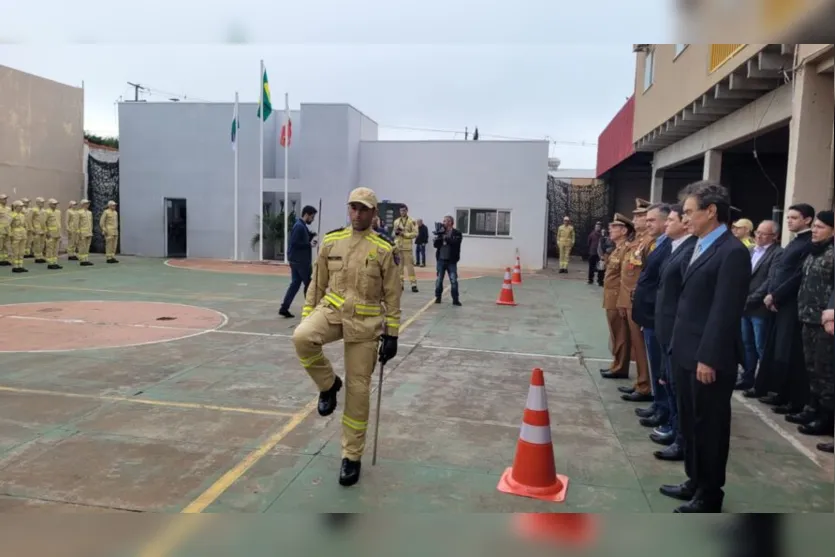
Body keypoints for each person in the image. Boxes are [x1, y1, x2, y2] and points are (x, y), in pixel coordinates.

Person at [292, 187, 401, 487]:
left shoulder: (384, 249)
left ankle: (351, 457)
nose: (357, 213)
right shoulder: (331, 241)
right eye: (353, 207)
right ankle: (328, 384)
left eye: (364, 208)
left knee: (358, 391)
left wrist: (391, 335)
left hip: (365, 325)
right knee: (302, 338)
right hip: (333, 313)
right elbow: (316, 285)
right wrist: (307, 316)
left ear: (374, 212)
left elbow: (393, 296)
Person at [660, 180, 751, 513]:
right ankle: (694, 481)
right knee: (690, 421)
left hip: (707, 359)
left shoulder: (732, 252)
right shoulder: (700, 245)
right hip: (685, 351)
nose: (685, 219)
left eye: (689, 212)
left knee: (709, 427)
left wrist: (709, 357)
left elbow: (725, 311)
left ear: (711, 211)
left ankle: (711, 494)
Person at [755, 204, 815, 413]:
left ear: (807, 220)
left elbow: (796, 275)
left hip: (790, 303)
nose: (789, 221)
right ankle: (779, 392)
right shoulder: (796, 241)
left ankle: (792, 399)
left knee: (788, 351)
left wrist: (776, 295)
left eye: (794, 218)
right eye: (788, 217)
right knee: (777, 350)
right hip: (779, 302)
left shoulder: (807, 243)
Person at [650, 204, 696, 461]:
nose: (666, 224)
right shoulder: (676, 248)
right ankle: (674, 429)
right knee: (668, 380)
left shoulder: (689, 251)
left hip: (676, 331)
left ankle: (680, 437)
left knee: (677, 386)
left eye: (671, 220)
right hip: (665, 327)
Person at [787, 210, 833, 438]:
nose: (814, 230)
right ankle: (813, 409)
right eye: (814, 226)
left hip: (825, 324)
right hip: (807, 318)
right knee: (812, 369)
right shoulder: (814, 252)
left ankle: (826, 419)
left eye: (820, 227)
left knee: (825, 372)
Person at [630, 203, 672, 423]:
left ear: (667, 221)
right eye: (646, 220)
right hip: (649, 313)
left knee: (661, 365)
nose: (647, 224)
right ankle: (658, 404)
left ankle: (663, 409)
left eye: (652, 220)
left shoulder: (670, 246)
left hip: (658, 315)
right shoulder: (659, 243)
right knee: (656, 363)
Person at [736, 220, 782, 391]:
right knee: (747, 344)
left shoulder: (777, 253)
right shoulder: (750, 250)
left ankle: (763, 382)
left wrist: (751, 299)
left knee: (761, 345)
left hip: (759, 307)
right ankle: (747, 377)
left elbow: (770, 280)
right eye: (758, 232)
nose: (759, 236)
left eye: (764, 233)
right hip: (744, 306)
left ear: (775, 236)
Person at [599, 213, 634, 380]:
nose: (610, 229)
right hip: (611, 297)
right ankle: (616, 364)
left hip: (617, 297)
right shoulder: (617, 249)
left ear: (624, 230)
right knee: (615, 333)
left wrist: (622, 301)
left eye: (614, 227)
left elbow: (625, 279)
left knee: (621, 334)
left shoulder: (627, 249)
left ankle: (620, 367)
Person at [279, 205, 318, 319]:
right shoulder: (299, 226)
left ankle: (284, 308)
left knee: (295, 284)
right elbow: (295, 243)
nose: (313, 219)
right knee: (309, 284)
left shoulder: (301, 226)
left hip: (296, 260)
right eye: (312, 217)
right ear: (307, 215)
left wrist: (311, 236)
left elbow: (302, 239)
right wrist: (309, 244)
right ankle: (310, 308)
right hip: (301, 261)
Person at [433, 215, 463, 306]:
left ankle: (455, 299)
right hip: (441, 260)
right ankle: (438, 297)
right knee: (439, 280)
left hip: (451, 261)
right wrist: (439, 236)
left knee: (453, 280)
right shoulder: (441, 232)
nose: (443, 222)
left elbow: (456, 243)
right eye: (444, 221)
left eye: (445, 221)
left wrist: (446, 238)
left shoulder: (457, 233)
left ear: (450, 222)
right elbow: (436, 245)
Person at [393, 205, 419, 292]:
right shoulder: (396, 221)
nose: (402, 212)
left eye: (404, 211)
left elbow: (415, 233)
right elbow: (393, 234)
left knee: (410, 267)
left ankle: (413, 284)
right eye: (401, 211)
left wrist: (405, 234)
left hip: (407, 248)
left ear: (407, 211)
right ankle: (400, 284)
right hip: (399, 247)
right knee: (399, 267)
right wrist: (396, 233)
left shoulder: (412, 221)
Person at [43, 198, 63, 270]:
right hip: (50, 233)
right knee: (50, 248)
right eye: (54, 204)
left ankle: (55, 262)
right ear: (50, 204)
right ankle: (50, 263)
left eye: (56, 204)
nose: (55, 205)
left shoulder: (58, 212)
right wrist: (47, 232)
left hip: (57, 233)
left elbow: (59, 222)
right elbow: (43, 222)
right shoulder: (47, 212)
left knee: (56, 248)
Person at [0, 194, 10, 267]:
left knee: (6, 245)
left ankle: (5, 259)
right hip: (0, 230)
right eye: (3, 199)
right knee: (0, 245)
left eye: (6, 199)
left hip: (7, 229)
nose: (5, 200)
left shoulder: (8, 209)